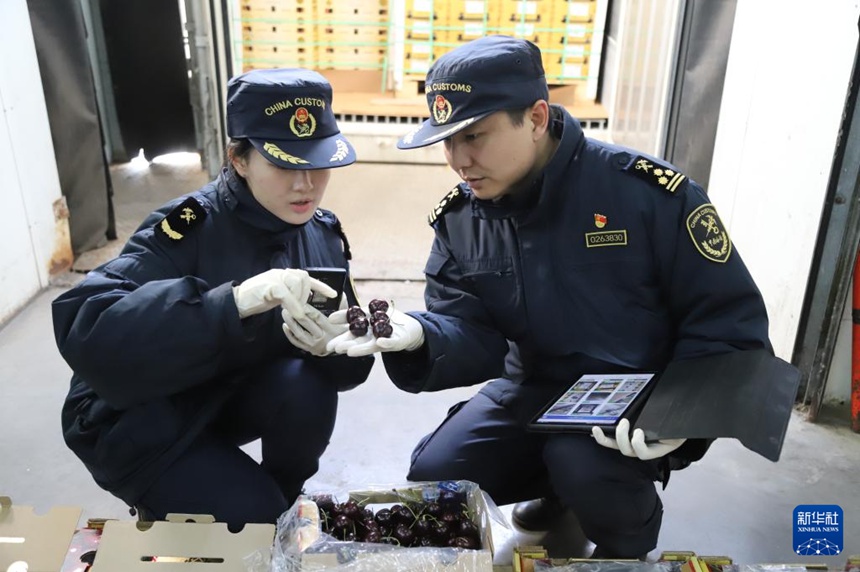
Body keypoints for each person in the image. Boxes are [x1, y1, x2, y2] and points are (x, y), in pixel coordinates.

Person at [325, 36, 772, 558]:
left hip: (629, 403)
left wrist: (678, 415)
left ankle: (627, 539)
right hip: (532, 390)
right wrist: (422, 333)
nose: (458, 160)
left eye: (475, 136)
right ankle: (557, 495)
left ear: (536, 118)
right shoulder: (462, 219)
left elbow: (727, 322)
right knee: (437, 478)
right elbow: (471, 329)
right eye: (447, 140)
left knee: (582, 464)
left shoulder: (649, 196)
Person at [52, 68, 373, 529]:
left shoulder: (319, 232)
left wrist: (334, 348)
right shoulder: (188, 227)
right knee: (251, 518)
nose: (306, 185)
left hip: (224, 394)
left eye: (317, 163)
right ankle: (195, 510)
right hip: (139, 418)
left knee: (305, 394)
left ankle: (275, 504)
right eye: (285, 164)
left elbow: (346, 365)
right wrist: (232, 302)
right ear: (239, 159)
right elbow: (89, 329)